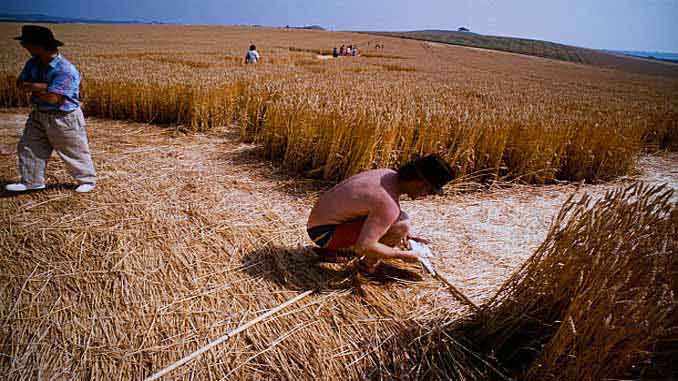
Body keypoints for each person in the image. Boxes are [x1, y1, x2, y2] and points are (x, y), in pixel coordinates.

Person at [307, 154, 454, 272]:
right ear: (418, 183)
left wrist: (408, 235)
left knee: (401, 222)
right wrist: (402, 255)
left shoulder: (387, 174)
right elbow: (364, 246)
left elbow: (375, 209)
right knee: (401, 225)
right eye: (429, 190)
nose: (426, 195)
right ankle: (366, 266)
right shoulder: (388, 204)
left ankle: (335, 250)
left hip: (318, 223)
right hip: (324, 233)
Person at [6, 25, 96, 194]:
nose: (23, 46)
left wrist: (34, 88)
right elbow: (20, 84)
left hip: (64, 117)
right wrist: (46, 87)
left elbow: (55, 99)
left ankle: (87, 180)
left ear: (39, 46)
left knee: (73, 150)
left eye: (26, 43)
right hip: (39, 113)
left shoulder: (65, 70)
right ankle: (32, 182)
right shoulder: (32, 63)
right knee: (29, 147)